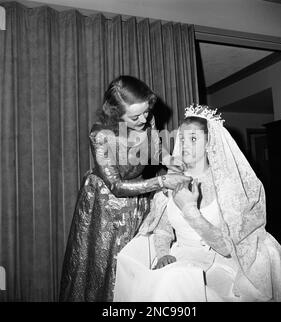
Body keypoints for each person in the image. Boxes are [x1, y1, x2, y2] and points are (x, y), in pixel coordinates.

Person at [113, 105, 281, 302]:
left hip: (220, 265)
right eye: (182, 139)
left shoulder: (226, 185)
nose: (184, 145)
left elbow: (229, 247)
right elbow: (162, 230)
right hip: (180, 259)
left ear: (210, 143)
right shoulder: (170, 181)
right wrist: (162, 255)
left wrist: (190, 211)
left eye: (193, 139)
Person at [59, 75, 192, 302]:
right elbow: (116, 186)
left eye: (146, 112)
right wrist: (161, 182)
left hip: (138, 197)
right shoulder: (100, 135)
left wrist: (169, 159)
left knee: (134, 263)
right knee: (105, 267)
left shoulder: (146, 119)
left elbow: (155, 148)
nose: (144, 118)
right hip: (105, 205)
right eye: (135, 116)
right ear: (114, 113)